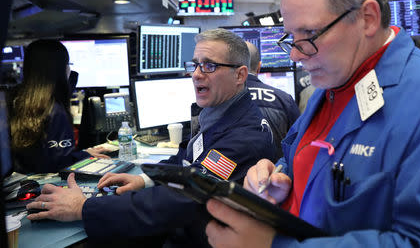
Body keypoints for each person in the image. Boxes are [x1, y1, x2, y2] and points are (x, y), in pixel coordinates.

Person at [205, 0, 420, 247]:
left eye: (309, 33)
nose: (295, 54)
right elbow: (302, 156)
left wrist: (273, 246)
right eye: (291, 37)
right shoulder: (331, 84)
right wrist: (279, 176)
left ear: (368, 18)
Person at [26, 29, 276, 247]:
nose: (196, 75)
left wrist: (83, 208)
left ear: (240, 75)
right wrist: (145, 179)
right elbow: (187, 162)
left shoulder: (244, 137)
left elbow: (183, 198)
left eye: (209, 65)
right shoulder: (217, 113)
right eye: (195, 65)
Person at [7, 39, 108, 174]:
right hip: (48, 184)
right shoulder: (54, 110)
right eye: (67, 64)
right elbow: (60, 164)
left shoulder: (14, 101)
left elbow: (46, 157)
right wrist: (85, 156)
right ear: (60, 69)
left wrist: (83, 153)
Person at [246, 41, 300, 158]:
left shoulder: (222, 99)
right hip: (277, 173)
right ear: (259, 67)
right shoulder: (285, 100)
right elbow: (299, 143)